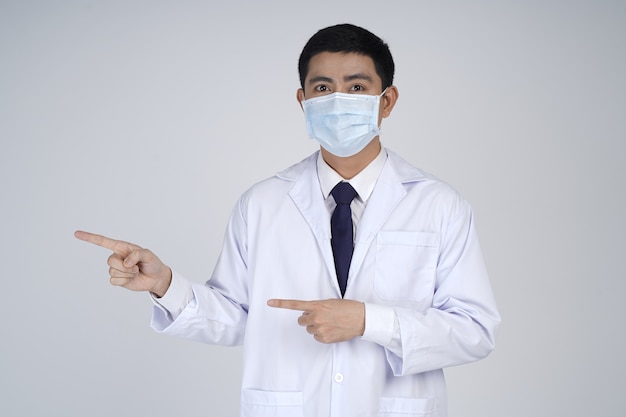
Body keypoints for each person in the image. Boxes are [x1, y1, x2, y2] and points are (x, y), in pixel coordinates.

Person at [75, 23, 500, 417]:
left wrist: (369, 321)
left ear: (385, 101)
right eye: (322, 87)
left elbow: (474, 330)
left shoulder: (439, 205)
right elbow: (236, 316)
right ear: (303, 100)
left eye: (356, 86)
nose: (338, 100)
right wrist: (164, 284)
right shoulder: (262, 203)